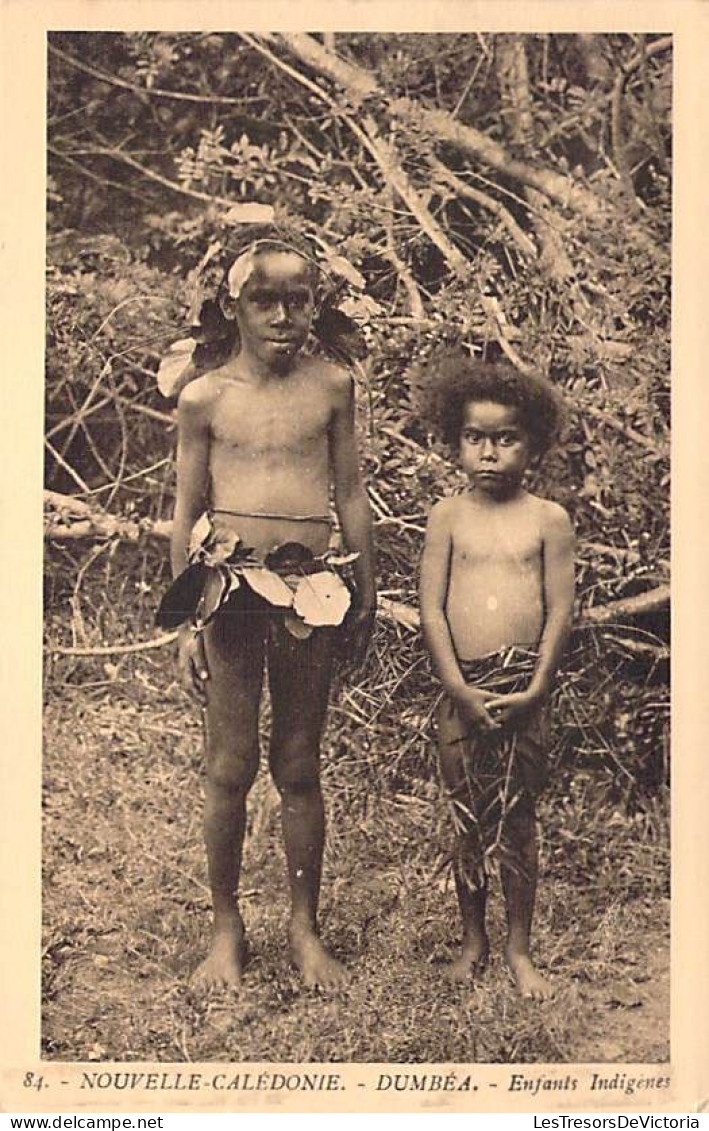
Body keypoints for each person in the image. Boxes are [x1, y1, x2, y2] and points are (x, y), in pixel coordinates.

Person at [158, 224, 376, 990]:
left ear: (316, 305)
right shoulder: (204, 398)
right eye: (264, 302)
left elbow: (348, 491)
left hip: (311, 588)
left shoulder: (331, 387)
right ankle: (225, 928)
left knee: (298, 761)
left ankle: (303, 926)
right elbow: (186, 512)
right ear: (233, 306)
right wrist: (188, 617)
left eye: (297, 300)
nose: (282, 316)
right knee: (229, 765)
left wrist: (366, 592)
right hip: (229, 593)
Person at [418, 353, 574, 999]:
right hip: (463, 690)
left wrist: (535, 685)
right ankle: (472, 940)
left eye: (504, 438)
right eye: (474, 438)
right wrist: (456, 685)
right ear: (455, 441)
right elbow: (430, 605)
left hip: (521, 691)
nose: (489, 453)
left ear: (530, 443)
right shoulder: (446, 517)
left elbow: (560, 607)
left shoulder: (548, 520)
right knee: (466, 817)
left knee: (516, 816)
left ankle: (518, 948)